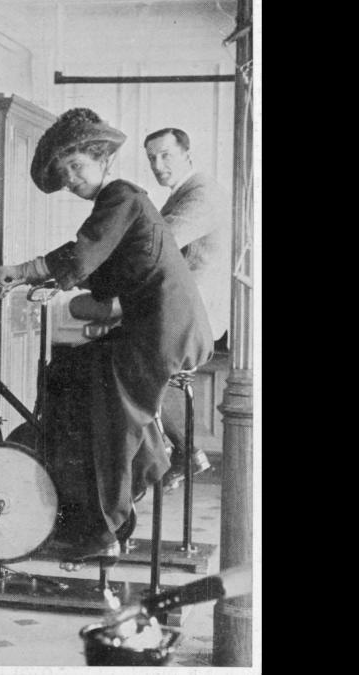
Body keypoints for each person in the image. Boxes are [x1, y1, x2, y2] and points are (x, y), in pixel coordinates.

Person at [0, 108, 214, 563]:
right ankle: (117, 489)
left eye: (76, 166)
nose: (70, 179)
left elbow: (81, 255)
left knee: (103, 410)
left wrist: (20, 271)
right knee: (65, 371)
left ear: (103, 160)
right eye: (63, 172)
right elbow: (103, 270)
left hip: (164, 330)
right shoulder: (121, 205)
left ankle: (106, 528)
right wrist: (39, 281)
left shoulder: (121, 196)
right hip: (154, 327)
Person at [144, 128, 231, 490]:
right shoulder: (184, 193)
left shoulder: (202, 193)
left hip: (195, 316)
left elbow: (159, 246)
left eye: (166, 155)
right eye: (151, 158)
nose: (158, 165)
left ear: (187, 155)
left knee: (134, 369)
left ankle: (185, 450)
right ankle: (183, 451)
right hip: (185, 312)